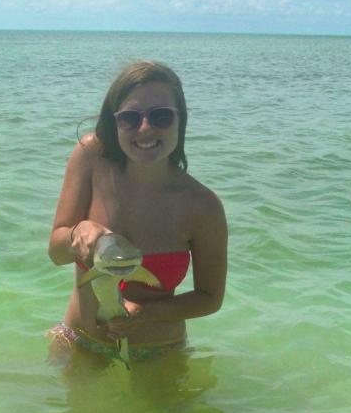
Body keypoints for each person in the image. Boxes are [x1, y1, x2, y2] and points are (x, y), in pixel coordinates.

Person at [48, 60, 227, 363]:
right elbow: (56, 253)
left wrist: (147, 313)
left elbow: (210, 299)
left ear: (180, 120)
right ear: (114, 121)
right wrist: (77, 233)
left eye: (161, 116)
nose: (145, 128)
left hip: (159, 354)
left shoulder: (203, 205)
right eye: (130, 118)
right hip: (80, 342)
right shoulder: (91, 157)